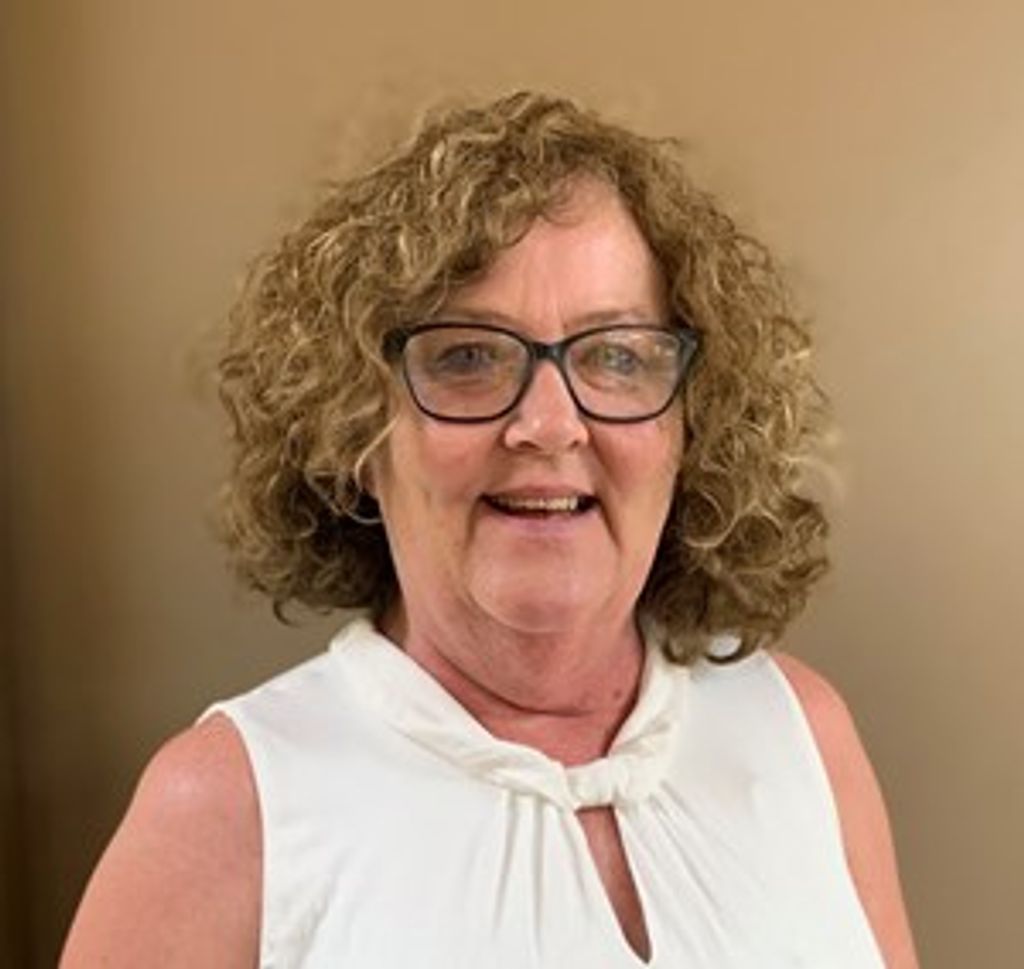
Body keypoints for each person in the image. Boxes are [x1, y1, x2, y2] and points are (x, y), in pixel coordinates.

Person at [61, 91, 918, 967]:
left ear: (690, 425)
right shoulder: (227, 806)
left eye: (616, 356)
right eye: (468, 357)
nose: (549, 425)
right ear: (354, 429)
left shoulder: (801, 732)